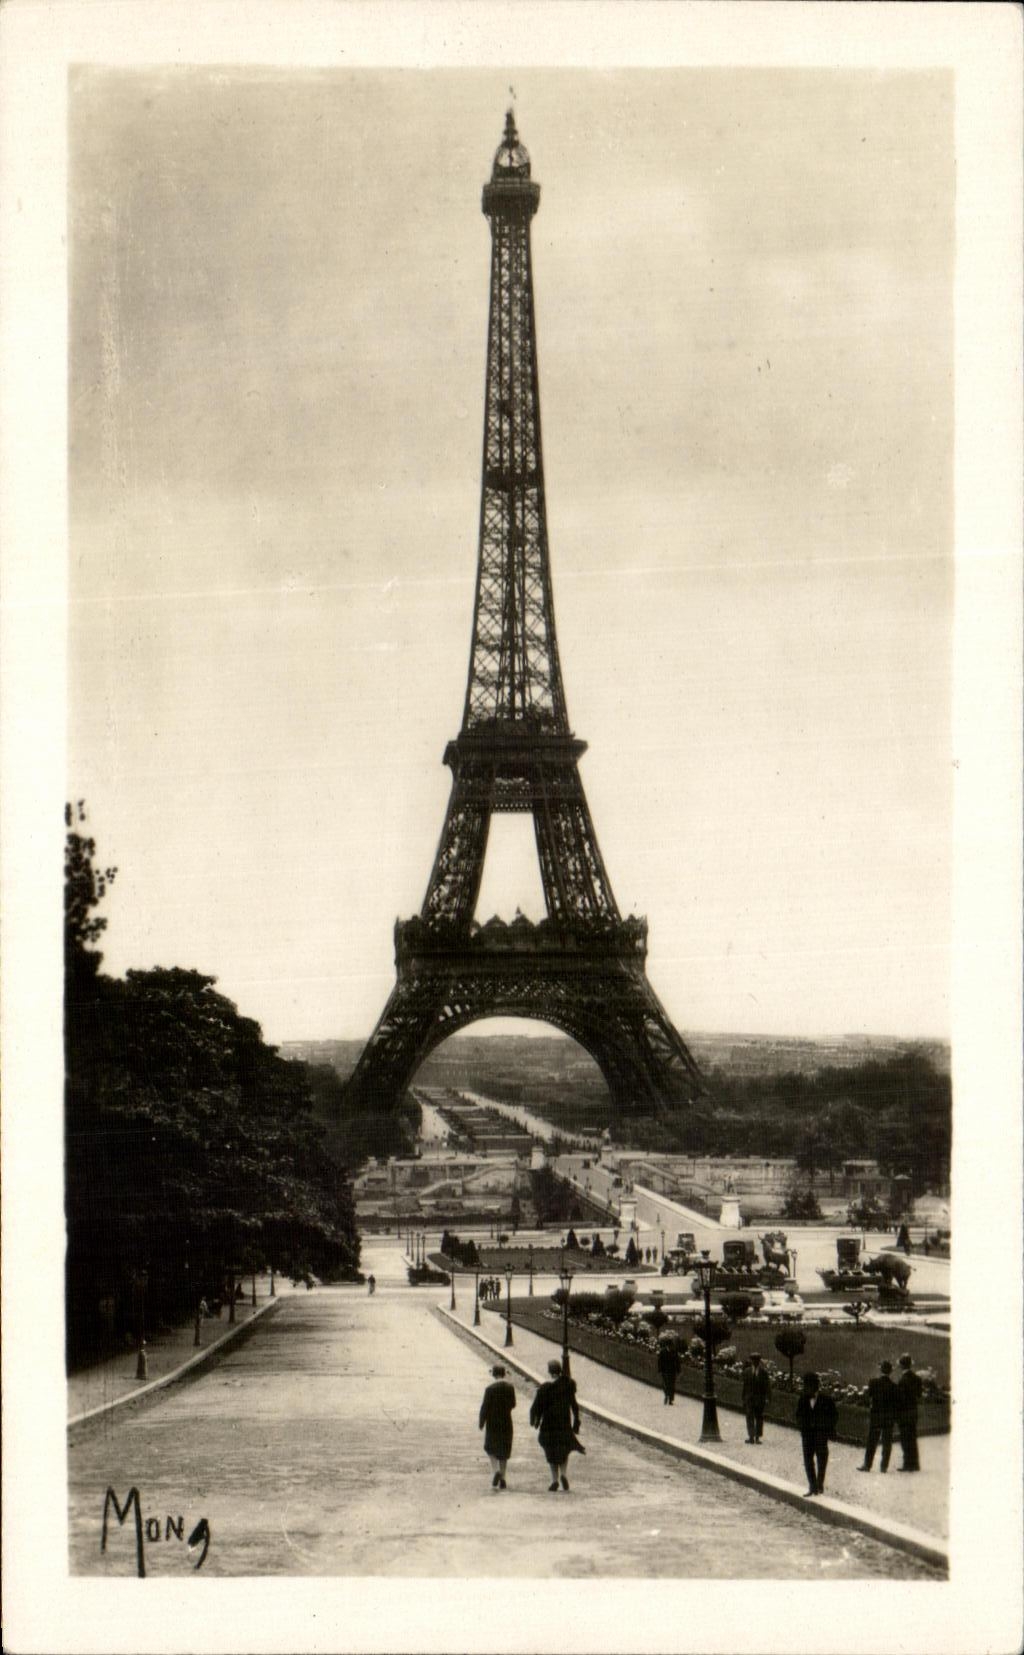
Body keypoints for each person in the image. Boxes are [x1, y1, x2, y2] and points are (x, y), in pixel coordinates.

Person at [529, 1359, 584, 1491]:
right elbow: (574, 1406)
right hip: (564, 1422)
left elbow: (536, 1407)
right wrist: (576, 1422)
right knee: (564, 1448)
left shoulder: (544, 1388)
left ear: (549, 1371)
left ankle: (554, 1480)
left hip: (548, 1424)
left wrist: (534, 1420)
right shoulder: (568, 1385)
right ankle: (564, 1474)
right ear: (560, 1371)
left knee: (550, 1449)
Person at [795, 1371, 838, 1496]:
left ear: (815, 1386)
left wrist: (827, 1428)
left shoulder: (826, 1400)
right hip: (807, 1435)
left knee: (822, 1461)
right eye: (805, 1385)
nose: (806, 1388)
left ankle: (819, 1484)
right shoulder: (803, 1399)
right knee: (808, 1461)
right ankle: (812, 1486)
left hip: (821, 1436)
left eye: (808, 1386)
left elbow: (834, 1416)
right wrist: (802, 1427)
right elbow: (798, 1415)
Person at [478, 1364, 516, 1489]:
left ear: (494, 1374)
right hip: (506, 1422)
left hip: (492, 1422)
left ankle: (496, 1471)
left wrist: (481, 1422)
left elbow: (485, 1407)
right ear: (504, 1374)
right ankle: (503, 1477)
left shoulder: (489, 1389)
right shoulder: (510, 1387)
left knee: (490, 1447)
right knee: (504, 1450)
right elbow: (513, 1404)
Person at [858, 1359, 898, 1473]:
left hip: (876, 1415)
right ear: (890, 1372)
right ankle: (883, 1467)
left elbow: (868, 1396)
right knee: (887, 1442)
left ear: (881, 1370)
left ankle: (867, 1465)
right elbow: (896, 1404)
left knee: (872, 1441)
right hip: (889, 1417)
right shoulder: (894, 1386)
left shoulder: (873, 1382)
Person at [896, 1352, 923, 1471]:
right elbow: (919, 1394)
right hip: (913, 1411)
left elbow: (900, 1399)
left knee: (905, 1439)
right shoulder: (917, 1378)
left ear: (902, 1365)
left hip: (905, 1413)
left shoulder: (903, 1380)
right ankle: (915, 1464)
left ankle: (907, 1464)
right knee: (912, 1437)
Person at [742, 1352, 772, 1443]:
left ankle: (757, 1437)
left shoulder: (763, 1372)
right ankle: (751, 1436)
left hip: (759, 1398)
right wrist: (743, 1397)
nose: (755, 1362)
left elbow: (767, 1386)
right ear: (751, 1361)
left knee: (759, 1417)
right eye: (753, 1360)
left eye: (757, 1360)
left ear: (759, 1361)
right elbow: (745, 1386)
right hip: (749, 1398)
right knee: (749, 1416)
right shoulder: (747, 1372)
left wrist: (767, 1397)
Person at [656, 1337, 681, 1406]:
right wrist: (660, 1370)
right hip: (665, 1371)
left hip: (672, 1371)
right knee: (665, 1384)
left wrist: (678, 1370)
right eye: (669, 1345)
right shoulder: (662, 1351)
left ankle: (670, 1399)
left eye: (671, 1345)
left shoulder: (674, 1351)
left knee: (672, 1385)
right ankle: (666, 1395)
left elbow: (677, 1361)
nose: (670, 1347)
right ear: (667, 1345)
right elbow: (660, 1361)